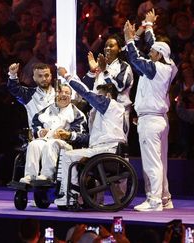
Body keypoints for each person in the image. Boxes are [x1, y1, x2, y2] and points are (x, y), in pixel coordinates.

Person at [123, 9, 177, 211]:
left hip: (151, 122)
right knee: (160, 161)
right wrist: (148, 25)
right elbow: (155, 46)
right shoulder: (168, 66)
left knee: (152, 162)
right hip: (159, 120)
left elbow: (136, 59)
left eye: (153, 52)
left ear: (159, 55)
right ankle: (164, 198)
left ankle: (154, 201)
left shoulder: (156, 68)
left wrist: (129, 40)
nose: (150, 53)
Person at [55, 67, 127, 206]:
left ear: (107, 96)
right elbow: (92, 137)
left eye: (98, 95)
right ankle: (72, 193)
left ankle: (71, 194)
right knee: (71, 154)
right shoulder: (108, 114)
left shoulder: (109, 104)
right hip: (104, 147)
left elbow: (85, 92)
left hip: (107, 150)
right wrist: (71, 135)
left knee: (67, 155)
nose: (95, 98)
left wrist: (66, 76)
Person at [19, 84, 88, 184]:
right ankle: (30, 175)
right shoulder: (46, 111)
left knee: (51, 144)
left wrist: (66, 134)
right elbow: (36, 124)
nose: (63, 95)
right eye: (60, 92)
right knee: (34, 144)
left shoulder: (77, 114)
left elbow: (80, 133)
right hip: (47, 139)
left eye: (67, 93)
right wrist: (40, 131)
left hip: (67, 144)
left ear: (71, 96)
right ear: (55, 95)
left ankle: (47, 175)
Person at [83, 34, 134, 134]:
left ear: (119, 49)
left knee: (116, 146)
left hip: (117, 112)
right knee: (96, 147)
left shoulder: (124, 67)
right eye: (106, 46)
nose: (107, 48)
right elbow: (85, 90)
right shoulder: (99, 66)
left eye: (111, 46)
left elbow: (119, 87)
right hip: (97, 112)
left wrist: (105, 71)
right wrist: (92, 71)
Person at [7, 62, 56, 132]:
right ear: (34, 78)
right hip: (38, 138)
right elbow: (14, 89)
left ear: (50, 76)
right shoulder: (28, 94)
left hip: (58, 136)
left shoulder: (60, 93)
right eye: (40, 76)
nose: (44, 79)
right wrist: (12, 75)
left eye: (46, 75)